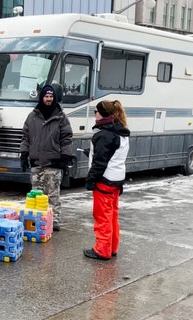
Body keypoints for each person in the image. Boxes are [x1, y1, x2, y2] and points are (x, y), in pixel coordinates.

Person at [20, 85, 73, 231]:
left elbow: (66, 138)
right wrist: (24, 154)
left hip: (53, 162)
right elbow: (25, 137)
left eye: (51, 97)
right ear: (41, 98)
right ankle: (37, 219)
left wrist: (65, 157)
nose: (48, 99)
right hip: (36, 162)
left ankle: (54, 219)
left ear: (54, 98)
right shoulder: (32, 116)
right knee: (36, 194)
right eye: (46, 96)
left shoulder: (61, 117)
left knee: (53, 194)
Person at [83, 100, 130, 260]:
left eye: (95, 111)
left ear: (103, 114)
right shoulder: (121, 132)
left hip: (104, 181)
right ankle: (112, 248)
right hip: (116, 181)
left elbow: (100, 162)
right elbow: (113, 157)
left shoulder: (104, 135)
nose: (94, 114)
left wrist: (90, 179)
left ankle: (102, 250)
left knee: (102, 216)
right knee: (112, 216)